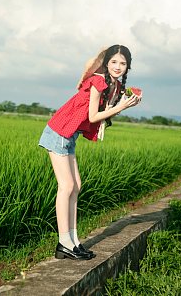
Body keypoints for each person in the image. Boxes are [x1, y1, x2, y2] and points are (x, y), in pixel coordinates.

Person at [38, 45, 141, 260]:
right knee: (66, 186)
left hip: (69, 135)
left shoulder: (114, 85)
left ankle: (73, 241)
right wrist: (122, 107)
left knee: (76, 186)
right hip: (59, 132)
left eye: (122, 63)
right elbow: (94, 116)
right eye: (114, 62)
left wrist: (124, 104)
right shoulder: (98, 80)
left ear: (128, 66)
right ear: (106, 63)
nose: (118, 67)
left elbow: (103, 115)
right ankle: (63, 243)